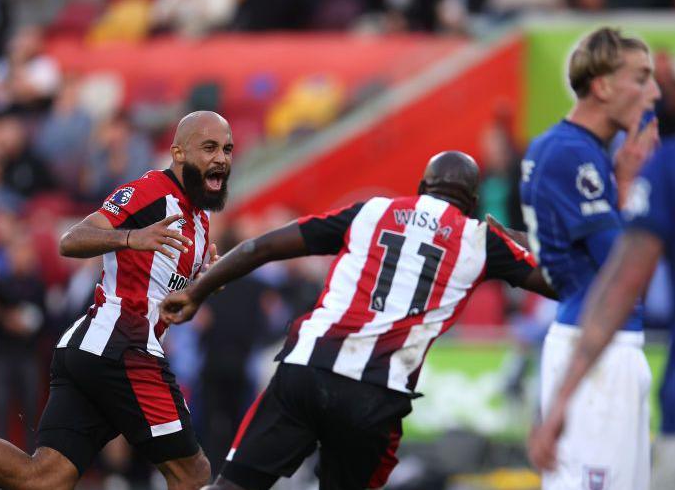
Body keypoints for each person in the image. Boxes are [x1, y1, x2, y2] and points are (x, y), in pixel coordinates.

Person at [0, 111, 234, 490]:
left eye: (228, 149)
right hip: (122, 344)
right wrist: (131, 237)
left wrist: (199, 286)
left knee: (45, 478)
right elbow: (73, 239)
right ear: (178, 152)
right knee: (192, 472)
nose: (221, 158)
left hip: (96, 346)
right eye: (210, 147)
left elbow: (163, 301)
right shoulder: (152, 191)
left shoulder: (198, 218)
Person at [160, 151, 557, 490]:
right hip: (374, 394)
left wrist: (197, 292)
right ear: (470, 204)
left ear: (421, 187)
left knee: (233, 485)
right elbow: (559, 281)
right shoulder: (480, 239)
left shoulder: (374, 210)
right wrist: (519, 241)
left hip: (308, 367)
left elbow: (258, 247)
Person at [518, 27, 660, 490]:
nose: (653, 92)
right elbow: (624, 268)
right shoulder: (571, 154)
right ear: (602, 86)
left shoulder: (580, 150)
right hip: (597, 349)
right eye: (641, 78)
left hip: (605, 344)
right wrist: (633, 191)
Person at [528, 138, 675, 487]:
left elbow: (630, 285)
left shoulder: (663, 167)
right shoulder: (661, 166)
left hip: (611, 348)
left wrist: (561, 398)